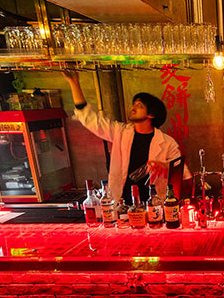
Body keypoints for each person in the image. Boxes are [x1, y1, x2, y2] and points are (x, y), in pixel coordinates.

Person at [63, 70, 191, 205]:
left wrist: (164, 167)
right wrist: (74, 83)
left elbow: (182, 174)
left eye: (139, 106)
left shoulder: (167, 143)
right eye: (134, 104)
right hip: (123, 203)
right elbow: (91, 120)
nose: (133, 108)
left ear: (151, 114)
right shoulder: (120, 132)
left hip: (155, 205)